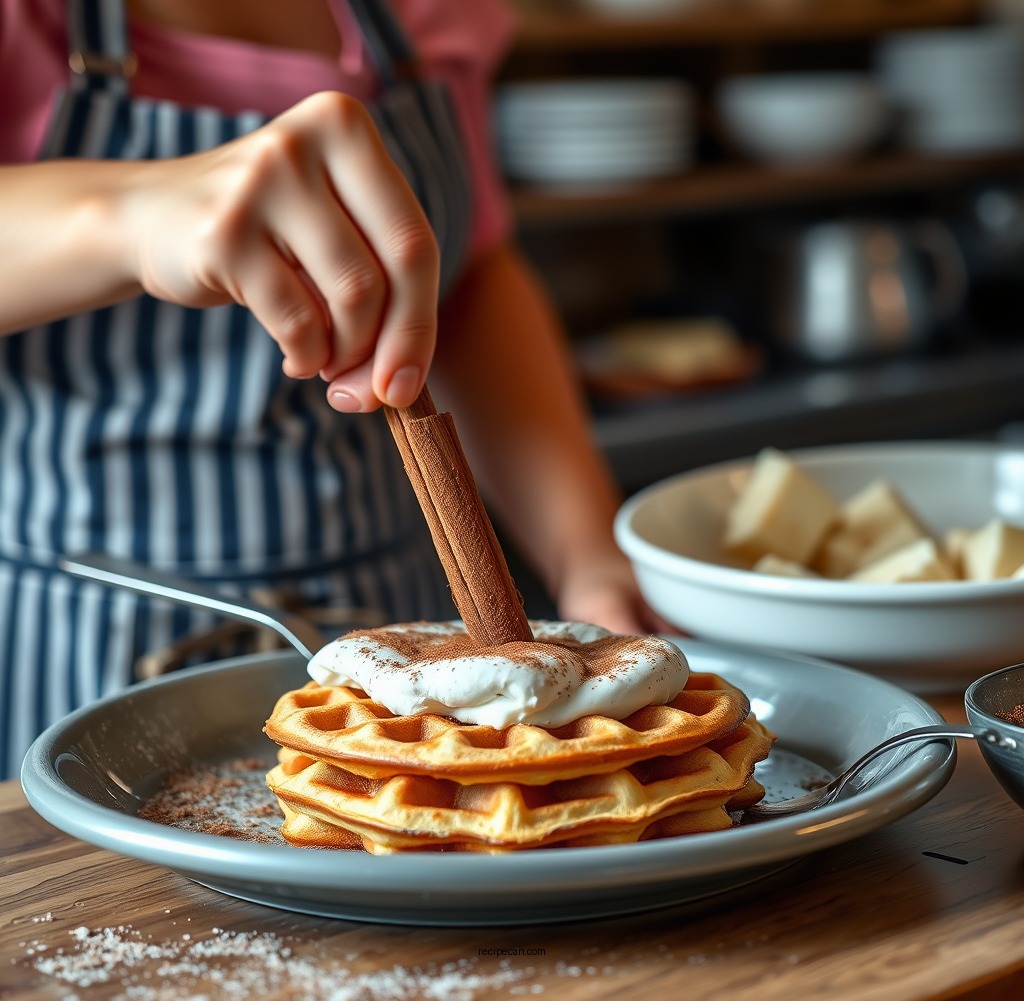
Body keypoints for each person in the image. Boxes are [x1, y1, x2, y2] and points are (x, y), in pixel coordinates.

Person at [0, 0, 666, 778]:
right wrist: (125, 216)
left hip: (403, 620)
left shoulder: (430, 13)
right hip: (81, 636)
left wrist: (585, 551)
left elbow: (469, 273)